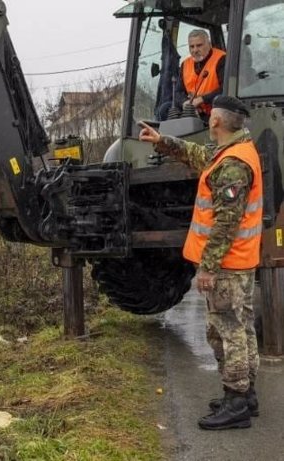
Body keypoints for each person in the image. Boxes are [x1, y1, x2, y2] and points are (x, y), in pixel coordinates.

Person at [138, 95, 262, 431]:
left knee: (227, 330)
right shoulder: (229, 152)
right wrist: (162, 141)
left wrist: (207, 268)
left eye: (210, 117)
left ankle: (236, 401)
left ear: (216, 122)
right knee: (241, 325)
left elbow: (225, 224)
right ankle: (246, 395)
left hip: (228, 263)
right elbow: (197, 154)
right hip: (239, 261)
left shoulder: (233, 164)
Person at [159, 29, 226, 120]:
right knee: (165, 108)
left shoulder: (222, 59)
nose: (195, 50)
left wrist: (201, 100)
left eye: (199, 45)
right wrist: (186, 103)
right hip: (193, 111)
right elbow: (178, 92)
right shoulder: (185, 64)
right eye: (192, 47)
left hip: (215, 111)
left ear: (209, 45)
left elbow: (225, 88)